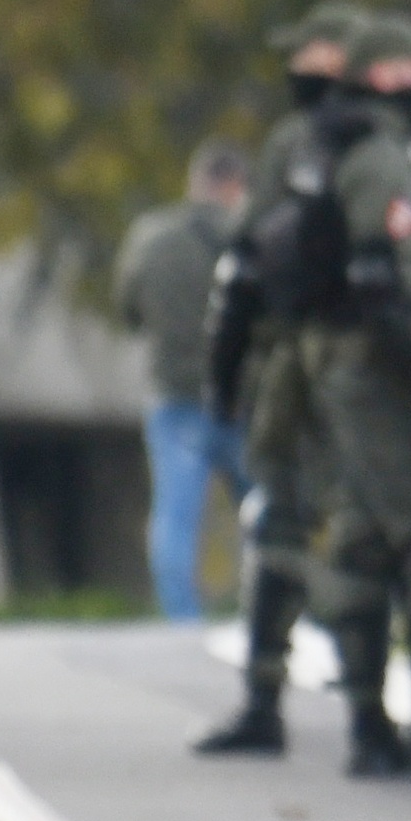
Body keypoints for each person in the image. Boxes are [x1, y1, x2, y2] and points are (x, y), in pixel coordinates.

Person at [194, 0, 365, 754]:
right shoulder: (303, 140)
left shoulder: (357, 142)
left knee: (362, 532)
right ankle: (276, 698)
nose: (305, 75)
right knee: (286, 520)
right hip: (303, 358)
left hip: (347, 362)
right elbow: (250, 254)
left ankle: (374, 709)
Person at [303, 11, 411, 779]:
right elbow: (386, 279)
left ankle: (376, 729)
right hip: (381, 372)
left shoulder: (374, 150)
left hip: (361, 369)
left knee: (365, 542)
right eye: (406, 69)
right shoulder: (382, 161)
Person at [115, 141, 251, 622]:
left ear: (196, 181)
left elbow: (128, 309)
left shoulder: (151, 236)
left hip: (174, 396)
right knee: (264, 513)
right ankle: (273, 610)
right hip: (242, 398)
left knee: (176, 515)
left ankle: (181, 621)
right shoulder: (248, 236)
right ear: (236, 186)